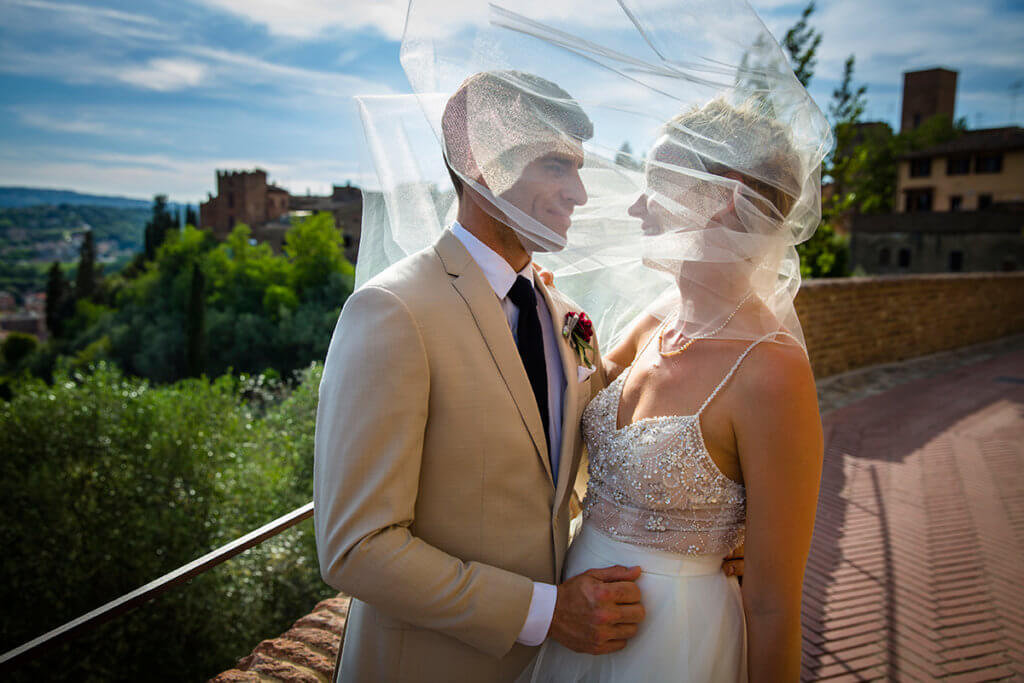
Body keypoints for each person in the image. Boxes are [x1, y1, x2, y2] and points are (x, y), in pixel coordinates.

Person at [314, 71, 648, 683]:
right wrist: (545, 613)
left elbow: (601, 459)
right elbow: (355, 547)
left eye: (579, 168)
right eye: (556, 165)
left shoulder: (564, 315)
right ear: (479, 163)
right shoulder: (392, 312)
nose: (579, 192)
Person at [521, 98, 825, 682]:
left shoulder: (770, 371)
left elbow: (773, 603)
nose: (637, 206)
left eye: (657, 184)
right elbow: (573, 390)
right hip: (576, 611)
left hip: (674, 642)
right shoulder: (658, 319)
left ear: (724, 198)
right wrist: (541, 304)